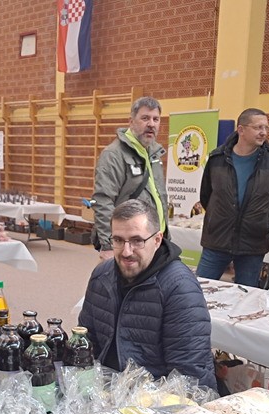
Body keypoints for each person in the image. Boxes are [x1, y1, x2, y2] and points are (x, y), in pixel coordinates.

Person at [79, 199, 217, 390]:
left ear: (157, 240)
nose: (126, 252)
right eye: (118, 240)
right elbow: (86, 342)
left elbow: (189, 377)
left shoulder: (179, 288)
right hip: (104, 389)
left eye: (137, 241)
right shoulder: (101, 275)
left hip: (153, 397)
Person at [195, 108, 269, 286]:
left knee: (246, 295)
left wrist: (260, 221)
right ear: (241, 129)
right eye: (258, 127)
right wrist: (222, 216)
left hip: (253, 243)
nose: (264, 132)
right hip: (217, 238)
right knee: (199, 288)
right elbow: (206, 196)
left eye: (266, 127)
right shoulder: (217, 158)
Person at [91, 96, 169, 261]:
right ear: (131, 121)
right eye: (145, 118)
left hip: (154, 240)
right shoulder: (113, 155)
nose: (151, 124)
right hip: (129, 244)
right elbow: (103, 201)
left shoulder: (154, 153)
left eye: (156, 119)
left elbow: (158, 197)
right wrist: (109, 245)